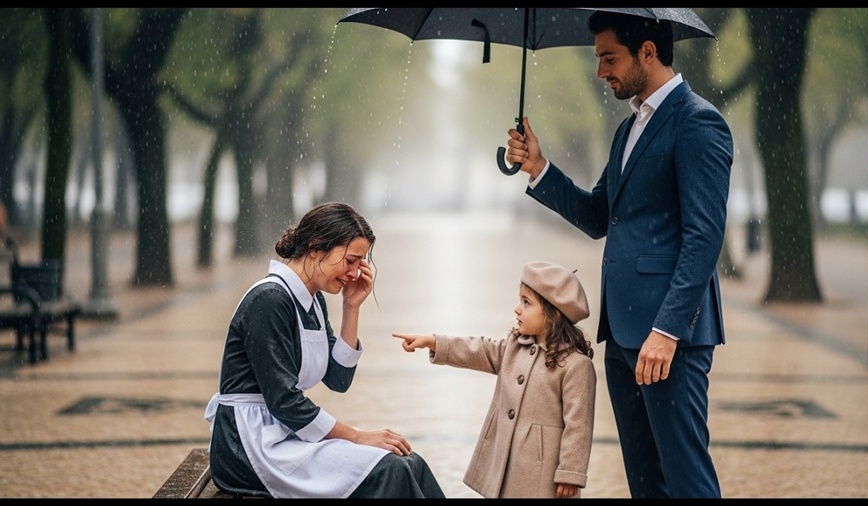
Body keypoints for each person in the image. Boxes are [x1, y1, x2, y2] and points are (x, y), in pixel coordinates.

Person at [503, 11, 733, 499]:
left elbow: (703, 238)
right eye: (598, 59)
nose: (600, 71)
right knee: (646, 482)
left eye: (610, 58)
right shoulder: (627, 131)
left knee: (686, 479)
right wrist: (539, 167)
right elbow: (597, 216)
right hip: (624, 335)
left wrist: (668, 331)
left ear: (647, 52)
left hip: (669, 339)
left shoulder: (699, 123)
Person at [204, 201, 444, 499]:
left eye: (360, 264)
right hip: (248, 447)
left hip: (284, 435)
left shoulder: (312, 300)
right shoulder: (269, 301)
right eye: (351, 261)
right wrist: (357, 436)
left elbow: (338, 379)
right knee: (389, 470)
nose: (356, 273)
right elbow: (284, 402)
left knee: (409, 463)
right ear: (315, 248)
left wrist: (351, 306)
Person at [393, 260, 596, 499]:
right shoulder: (514, 347)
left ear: (553, 314)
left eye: (527, 303)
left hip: (543, 473)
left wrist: (570, 473)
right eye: (520, 300)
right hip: (506, 464)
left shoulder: (576, 365)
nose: (517, 309)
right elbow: (479, 349)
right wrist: (434, 342)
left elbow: (579, 425)